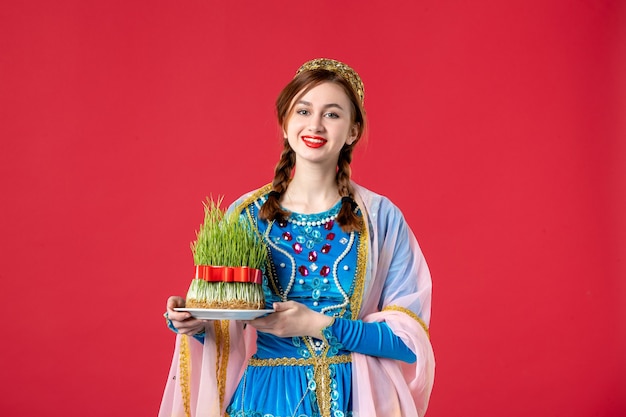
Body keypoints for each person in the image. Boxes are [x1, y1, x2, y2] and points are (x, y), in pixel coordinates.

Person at [160, 58, 435, 417]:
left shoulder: (381, 219)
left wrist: (320, 325)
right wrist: (195, 323)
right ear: (286, 121)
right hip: (265, 401)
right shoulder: (246, 217)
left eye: (333, 114)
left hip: (354, 401)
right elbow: (228, 327)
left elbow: (408, 343)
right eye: (303, 110)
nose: (315, 125)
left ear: (353, 131)